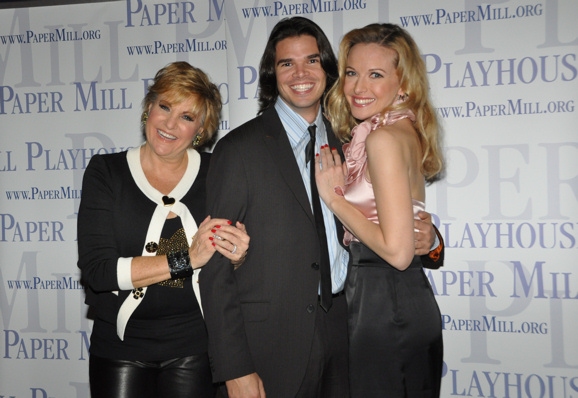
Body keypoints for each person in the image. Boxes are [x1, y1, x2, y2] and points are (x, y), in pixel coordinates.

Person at [200, 17, 443, 398]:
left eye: (312, 61)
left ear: (327, 69)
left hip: (349, 336)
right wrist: (235, 370)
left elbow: (386, 222)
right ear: (272, 73)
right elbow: (214, 268)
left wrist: (431, 240)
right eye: (286, 63)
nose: (300, 73)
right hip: (270, 347)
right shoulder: (238, 150)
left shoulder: (353, 141)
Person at [77, 61, 250, 398]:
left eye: (187, 117)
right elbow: (98, 272)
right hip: (119, 348)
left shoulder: (219, 172)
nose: (170, 124)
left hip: (197, 347)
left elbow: (229, 272)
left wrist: (238, 257)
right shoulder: (106, 171)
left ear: (201, 129)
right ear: (148, 108)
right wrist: (186, 259)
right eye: (165, 106)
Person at [316, 23, 445, 397]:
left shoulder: (384, 138)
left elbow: (398, 252)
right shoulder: (402, 130)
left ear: (403, 83)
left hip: (384, 306)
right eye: (352, 73)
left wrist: (335, 199)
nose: (358, 88)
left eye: (375, 75)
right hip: (395, 301)